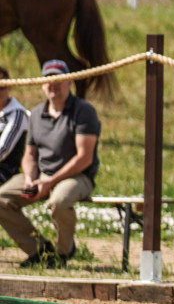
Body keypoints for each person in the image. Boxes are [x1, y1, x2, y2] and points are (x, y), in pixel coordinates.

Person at [0, 60, 101, 268]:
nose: (53, 85)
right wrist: (29, 179)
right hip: (42, 175)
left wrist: (50, 181)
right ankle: (40, 251)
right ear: (42, 84)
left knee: (59, 202)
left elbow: (84, 157)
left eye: (58, 80)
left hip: (77, 176)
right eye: (48, 80)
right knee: (1, 199)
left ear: (69, 82)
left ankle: (64, 252)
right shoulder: (36, 113)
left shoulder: (83, 111)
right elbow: (30, 154)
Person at [0, 66, 29, 184]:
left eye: (2, 87)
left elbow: (2, 150)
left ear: (9, 87)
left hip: (6, 172)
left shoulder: (17, 113)